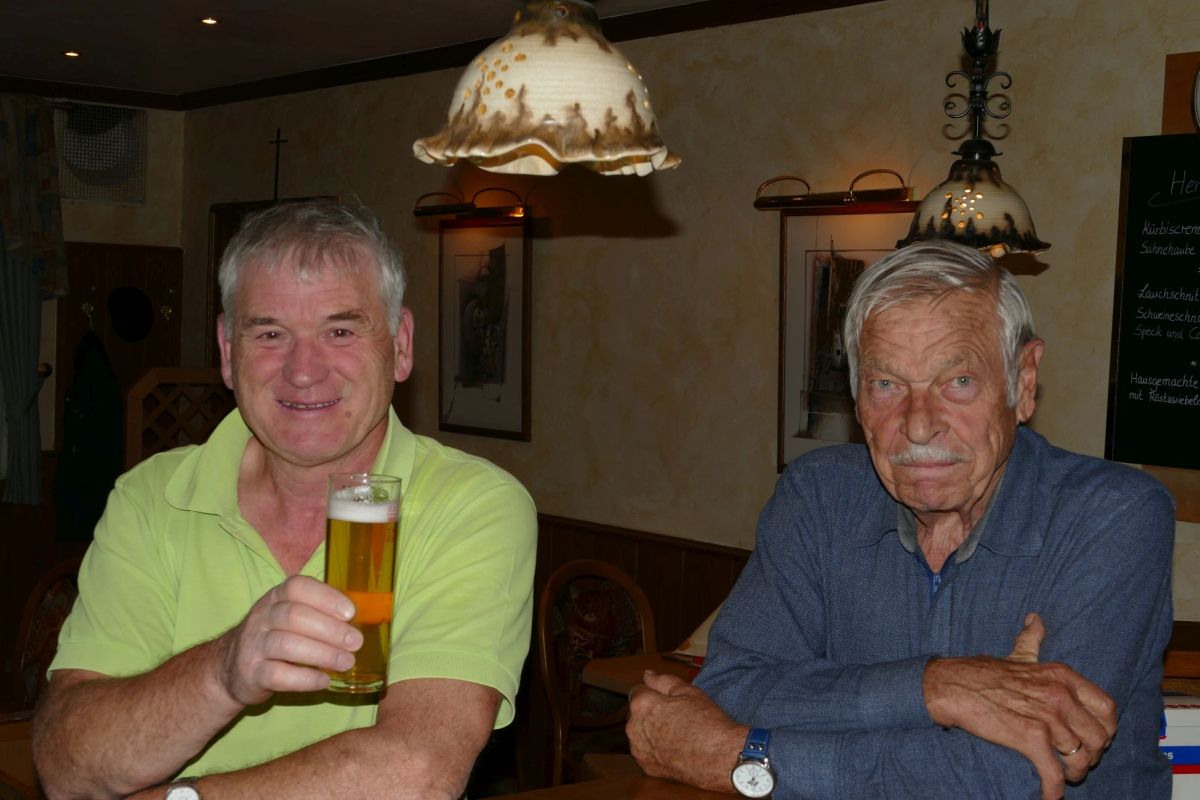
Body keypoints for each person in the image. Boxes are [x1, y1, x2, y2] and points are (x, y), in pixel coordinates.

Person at [627, 240, 1174, 799]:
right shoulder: (818, 497)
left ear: (1024, 381)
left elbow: (1012, 776)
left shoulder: (1112, 515)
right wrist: (938, 687)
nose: (917, 425)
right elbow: (733, 687)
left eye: (958, 381)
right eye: (886, 385)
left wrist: (738, 756)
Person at [32, 200, 537, 800]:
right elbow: (66, 765)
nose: (303, 370)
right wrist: (223, 670)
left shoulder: (474, 505)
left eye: (340, 330)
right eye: (270, 333)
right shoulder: (151, 496)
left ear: (400, 345)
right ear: (227, 352)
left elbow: (416, 771)